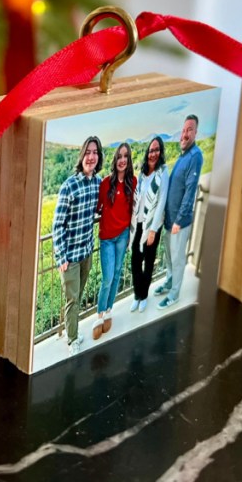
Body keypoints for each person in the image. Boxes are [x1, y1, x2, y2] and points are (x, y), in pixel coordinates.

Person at [52, 136, 103, 356]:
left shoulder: (98, 183)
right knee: (72, 299)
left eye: (95, 152)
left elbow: (100, 209)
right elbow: (57, 225)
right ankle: (72, 339)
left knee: (78, 294)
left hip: (86, 252)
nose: (91, 157)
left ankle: (71, 330)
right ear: (82, 155)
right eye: (88, 152)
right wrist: (61, 257)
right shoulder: (68, 186)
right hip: (70, 257)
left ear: (98, 157)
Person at [157, 115, 203, 309]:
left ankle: (174, 294)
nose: (185, 134)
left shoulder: (195, 156)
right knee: (169, 256)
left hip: (179, 222)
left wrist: (178, 220)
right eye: (184, 130)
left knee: (177, 259)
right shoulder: (183, 155)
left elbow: (190, 190)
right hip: (169, 220)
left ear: (195, 133)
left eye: (189, 130)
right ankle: (169, 281)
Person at [92, 143, 136, 340]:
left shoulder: (132, 182)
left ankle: (109, 310)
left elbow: (134, 208)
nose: (122, 160)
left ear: (129, 160)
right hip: (107, 239)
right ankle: (99, 315)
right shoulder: (105, 183)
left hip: (123, 234)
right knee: (107, 277)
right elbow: (97, 208)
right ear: (115, 160)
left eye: (126, 156)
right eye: (119, 156)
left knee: (117, 273)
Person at [130, 136, 167, 313]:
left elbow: (161, 202)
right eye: (151, 150)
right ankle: (137, 294)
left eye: (156, 150)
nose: (153, 153)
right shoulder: (142, 174)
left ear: (161, 152)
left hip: (152, 226)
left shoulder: (162, 173)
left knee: (149, 262)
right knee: (135, 261)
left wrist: (153, 230)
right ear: (147, 153)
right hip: (138, 224)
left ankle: (144, 295)